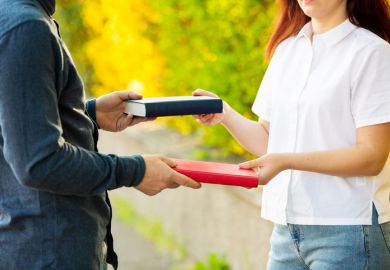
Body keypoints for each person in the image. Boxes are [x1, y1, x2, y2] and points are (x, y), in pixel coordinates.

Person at [0, 0, 201, 269]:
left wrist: (85, 114)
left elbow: (17, 126)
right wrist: (135, 171)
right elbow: (39, 162)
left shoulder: (15, 17)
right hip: (47, 251)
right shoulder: (25, 26)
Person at [194, 0, 390, 269]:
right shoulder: (287, 51)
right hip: (286, 233)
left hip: (349, 231)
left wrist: (287, 161)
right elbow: (268, 140)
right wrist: (223, 113)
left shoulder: (372, 53)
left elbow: (372, 156)